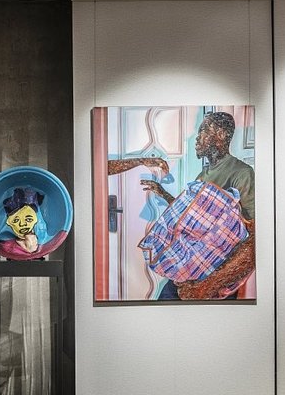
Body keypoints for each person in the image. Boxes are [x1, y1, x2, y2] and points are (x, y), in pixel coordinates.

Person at [109, 110, 256, 300]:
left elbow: (254, 236)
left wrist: (206, 286)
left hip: (213, 278)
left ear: (220, 135)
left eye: (203, 130)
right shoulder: (204, 174)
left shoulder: (241, 173)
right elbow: (194, 215)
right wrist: (163, 193)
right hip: (191, 270)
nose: (197, 138)